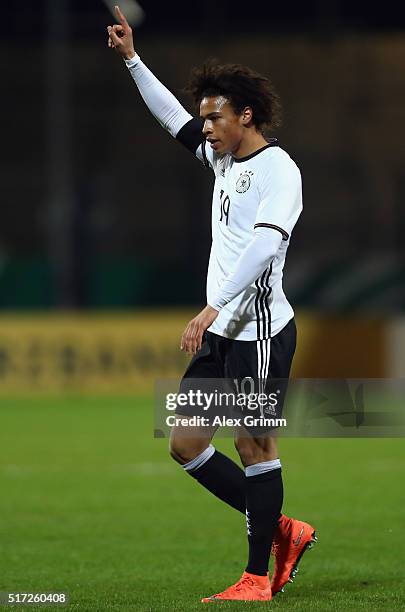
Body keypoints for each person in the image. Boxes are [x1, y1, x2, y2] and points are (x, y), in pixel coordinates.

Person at [107, 5, 316, 602]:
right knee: (186, 443)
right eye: (204, 118)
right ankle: (282, 530)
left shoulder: (279, 171)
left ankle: (256, 578)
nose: (205, 127)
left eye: (215, 117)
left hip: (259, 333)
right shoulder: (221, 158)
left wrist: (209, 307)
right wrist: (132, 60)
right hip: (223, 331)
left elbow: (263, 248)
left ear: (245, 116)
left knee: (255, 446)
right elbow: (172, 117)